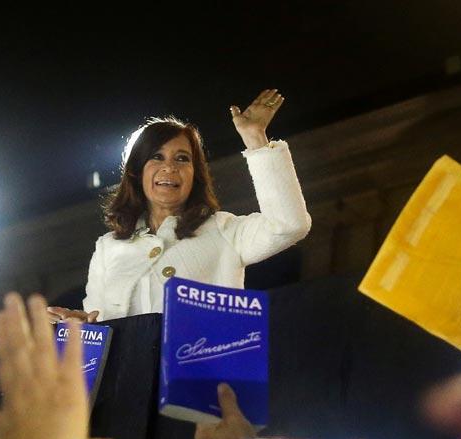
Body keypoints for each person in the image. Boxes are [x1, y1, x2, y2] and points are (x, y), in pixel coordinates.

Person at [49, 89, 311, 323]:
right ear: (136, 173)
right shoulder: (108, 247)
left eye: (182, 158)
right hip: (129, 375)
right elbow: (98, 318)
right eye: (156, 157)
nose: (169, 167)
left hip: (202, 374)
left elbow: (289, 225)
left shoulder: (223, 230)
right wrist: (79, 321)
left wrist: (255, 139)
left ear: (194, 175)